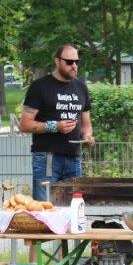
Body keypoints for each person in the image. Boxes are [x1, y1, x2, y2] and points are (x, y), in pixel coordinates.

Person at [19, 44, 95, 201]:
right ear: (57, 61)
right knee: (45, 206)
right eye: (69, 62)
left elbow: (86, 124)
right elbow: (24, 125)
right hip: (47, 158)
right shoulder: (40, 87)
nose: (74, 66)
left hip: (74, 158)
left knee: (73, 207)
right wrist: (55, 126)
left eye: (77, 62)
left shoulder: (81, 87)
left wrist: (87, 136)